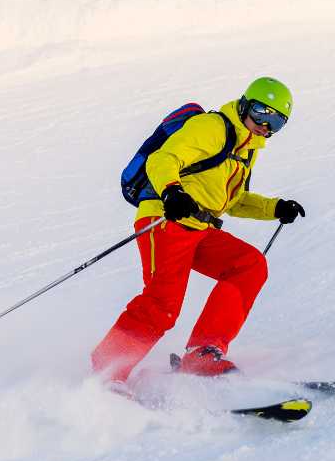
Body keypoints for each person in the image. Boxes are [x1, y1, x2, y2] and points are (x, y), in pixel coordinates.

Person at [91, 77, 305, 384]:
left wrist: (275, 208)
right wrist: (171, 192)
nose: (264, 126)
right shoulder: (213, 128)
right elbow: (163, 158)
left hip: (199, 228)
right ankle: (107, 370)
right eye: (260, 113)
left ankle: (203, 353)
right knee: (162, 305)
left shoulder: (246, 150)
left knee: (249, 265)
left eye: (276, 123)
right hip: (166, 219)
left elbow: (234, 200)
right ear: (245, 105)